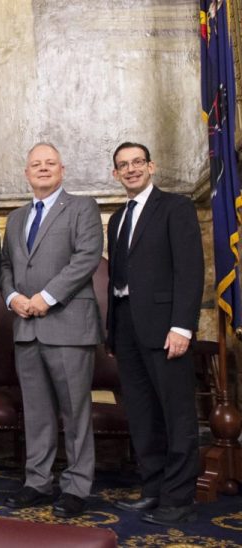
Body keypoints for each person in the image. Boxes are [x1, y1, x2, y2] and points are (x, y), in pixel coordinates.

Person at [0, 142, 103, 518]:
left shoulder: (82, 208)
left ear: (62, 169)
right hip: (26, 327)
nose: (42, 169)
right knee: (37, 412)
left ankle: (77, 486)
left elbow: (87, 258)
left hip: (68, 326)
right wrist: (12, 297)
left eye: (50, 163)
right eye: (35, 164)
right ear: (26, 173)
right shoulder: (14, 218)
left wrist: (45, 297)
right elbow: (6, 266)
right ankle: (38, 482)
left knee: (75, 412)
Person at [107, 142, 203, 526]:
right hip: (127, 326)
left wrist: (182, 326)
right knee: (143, 413)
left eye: (137, 163)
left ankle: (179, 499)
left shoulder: (175, 207)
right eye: (122, 166)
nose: (130, 170)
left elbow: (190, 270)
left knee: (177, 414)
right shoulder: (117, 219)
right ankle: (153, 489)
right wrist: (113, 332)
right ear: (115, 174)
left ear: (152, 166)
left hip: (166, 328)